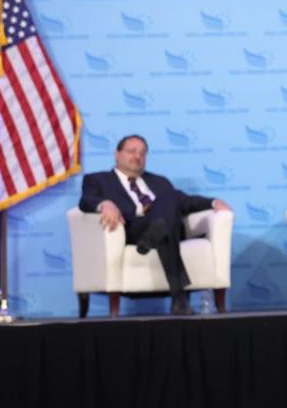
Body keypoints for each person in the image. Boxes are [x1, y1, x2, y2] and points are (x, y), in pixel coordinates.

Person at [78, 134, 232, 315]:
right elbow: (86, 200)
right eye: (132, 151)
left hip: (163, 228)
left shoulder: (159, 181)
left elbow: (185, 201)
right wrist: (106, 203)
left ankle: (157, 234)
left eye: (142, 153)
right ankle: (179, 298)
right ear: (117, 154)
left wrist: (213, 203)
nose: (137, 156)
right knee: (167, 220)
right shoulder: (97, 179)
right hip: (133, 228)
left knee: (170, 200)